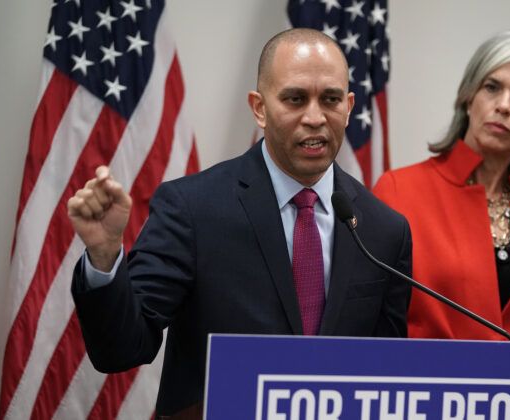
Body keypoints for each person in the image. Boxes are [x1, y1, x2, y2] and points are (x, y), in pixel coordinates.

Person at [68, 28, 412, 417]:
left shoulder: (385, 231)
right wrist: (103, 254)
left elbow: (385, 375)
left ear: (349, 107)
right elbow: (122, 349)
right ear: (260, 107)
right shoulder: (192, 209)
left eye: (330, 99)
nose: (315, 117)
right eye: (295, 99)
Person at [373, 30, 510, 343]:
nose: (503, 105)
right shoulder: (398, 191)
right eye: (492, 87)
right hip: (426, 387)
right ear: (468, 96)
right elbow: (372, 325)